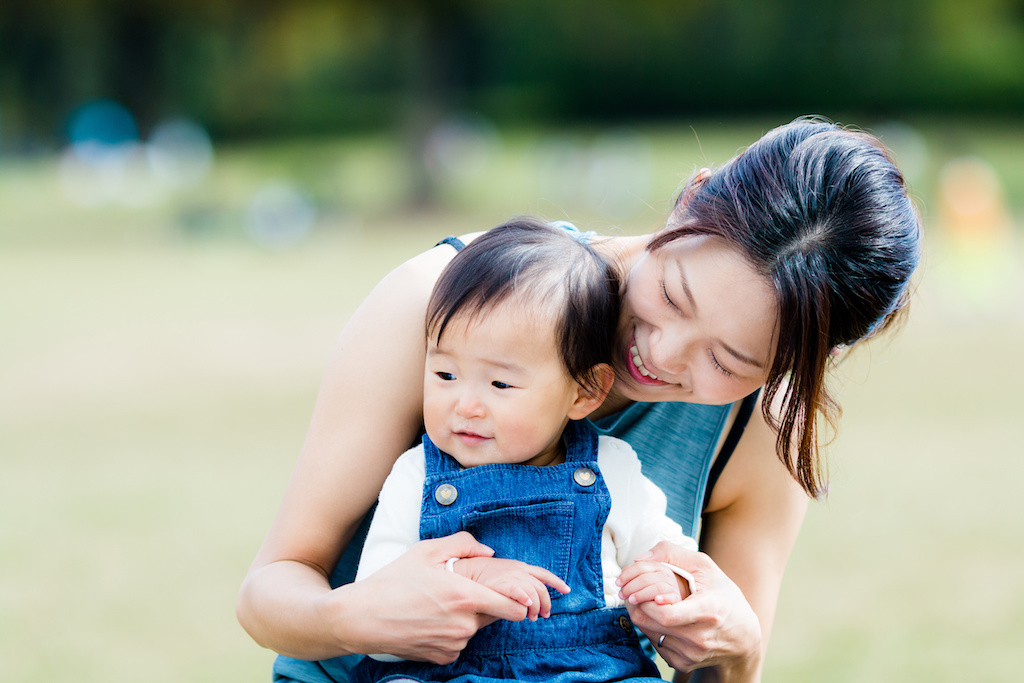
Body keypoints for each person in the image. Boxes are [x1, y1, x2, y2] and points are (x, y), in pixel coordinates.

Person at [236, 117, 922, 682]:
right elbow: (269, 591)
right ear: (692, 195)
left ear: (805, 363)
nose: (662, 353)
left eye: (728, 359)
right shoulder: (442, 302)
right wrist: (358, 616)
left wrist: (736, 648)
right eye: (675, 294)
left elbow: (717, 666)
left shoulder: (760, 427)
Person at [349, 220, 699, 683]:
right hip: (449, 671)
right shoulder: (418, 474)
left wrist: (674, 584)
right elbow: (374, 604)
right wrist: (467, 577)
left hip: (591, 668)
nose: (466, 405)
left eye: (500, 383)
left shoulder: (613, 467)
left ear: (584, 391)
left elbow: (674, 554)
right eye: (445, 375)